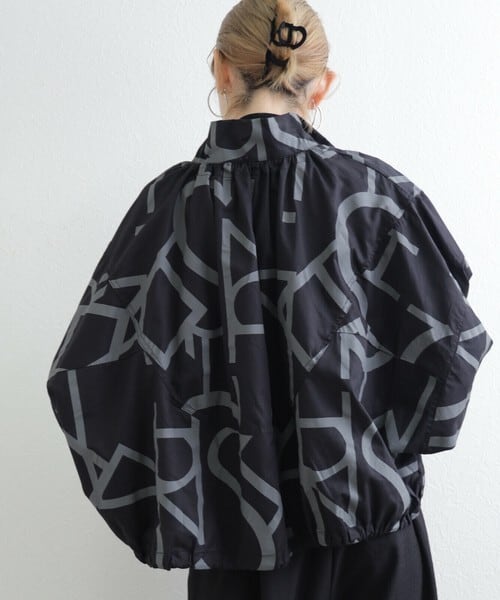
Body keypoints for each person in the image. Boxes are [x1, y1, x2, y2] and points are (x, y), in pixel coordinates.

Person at [45, 1, 493, 599]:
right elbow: (453, 348)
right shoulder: (374, 196)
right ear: (322, 84)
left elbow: (85, 375)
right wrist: (376, 452)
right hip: (374, 553)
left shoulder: (163, 210)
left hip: (235, 559)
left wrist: (179, 495)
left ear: (220, 69)